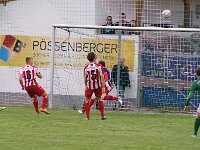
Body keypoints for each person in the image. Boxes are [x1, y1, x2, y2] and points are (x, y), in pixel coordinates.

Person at [84, 52, 105, 120]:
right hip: (97, 85)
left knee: (87, 100)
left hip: (89, 86)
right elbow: (102, 76)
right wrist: (103, 86)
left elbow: (85, 78)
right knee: (99, 99)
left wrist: (86, 86)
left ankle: (87, 117)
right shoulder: (99, 66)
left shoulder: (86, 67)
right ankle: (102, 116)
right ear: (94, 58)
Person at [183, 67, 200, 137]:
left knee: (198, 116)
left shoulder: (196, 83)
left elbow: (190, 96)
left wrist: (186, 105)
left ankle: (195, 134)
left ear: (196, 74)